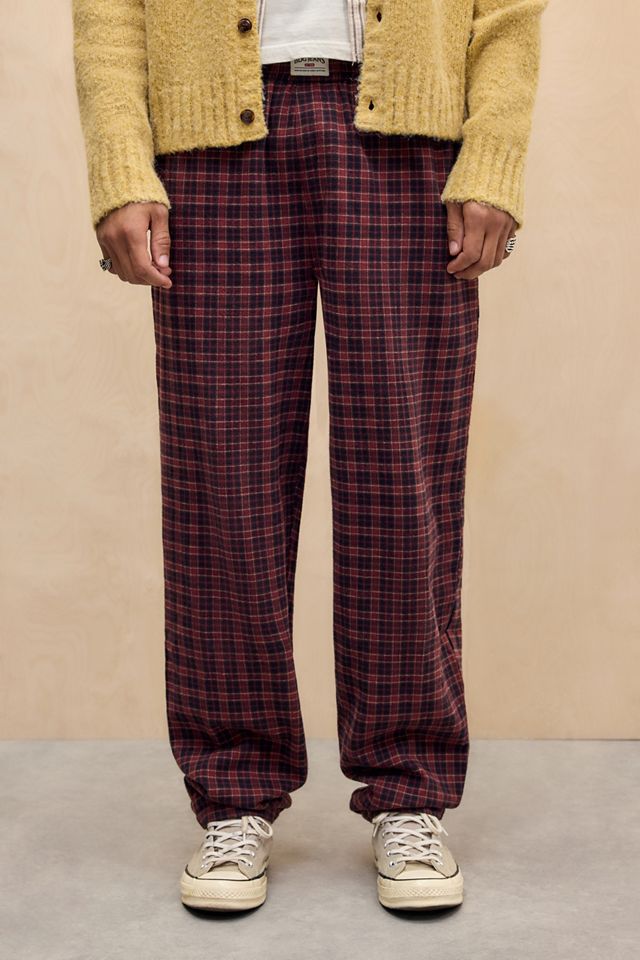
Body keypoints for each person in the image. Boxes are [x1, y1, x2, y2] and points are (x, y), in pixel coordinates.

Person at [72, 0, 548, 913]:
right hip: (213, 141)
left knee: (403, 478)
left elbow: (508, 12)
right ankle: (234, 791)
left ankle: (409, 790)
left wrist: (493, 154)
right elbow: (109, 12)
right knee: (223, 481)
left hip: (410, 143)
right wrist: (121, 165)